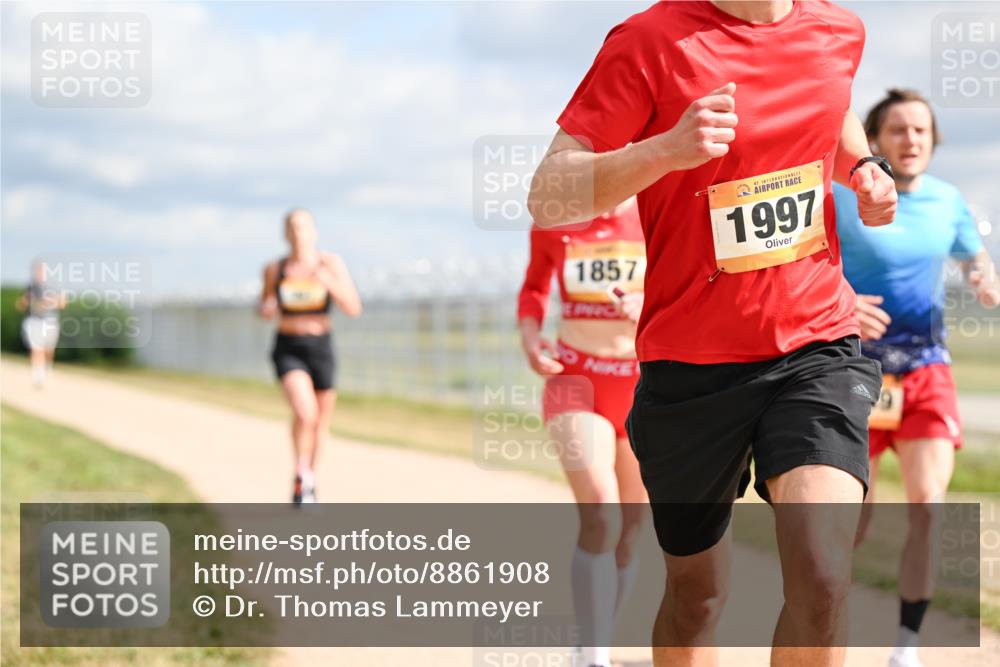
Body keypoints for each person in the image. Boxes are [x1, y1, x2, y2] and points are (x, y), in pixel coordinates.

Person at [527, 1, 898, 665]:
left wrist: (866, 168)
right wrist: (666, 149)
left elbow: (832, 111)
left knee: (822, 576)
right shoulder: (649, 41)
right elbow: (547, 192)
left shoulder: (839, 30)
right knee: (697, 594)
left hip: (816, 344)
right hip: (691, 369)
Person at [837, 88, 999, 667]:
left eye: (921, 132)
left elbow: (972, 256)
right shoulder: (839, 195)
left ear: (933, 143)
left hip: (926, 368)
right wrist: (841, 299)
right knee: (852, 520)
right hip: (855, 372)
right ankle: (830, 624)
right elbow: (806, 263)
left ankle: (905, 647)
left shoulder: (949, 200)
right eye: (899, 130)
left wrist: (983, 279)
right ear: (874, 140)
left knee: (927, 507)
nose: (910, 141)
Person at [518, 197, 647, 667]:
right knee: (601, 508)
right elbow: (533, 289)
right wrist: (532, 342)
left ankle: (594, 639)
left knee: (632, 529)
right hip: (575, 380)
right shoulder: (556, 219)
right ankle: (593, 656)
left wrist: (651, 302)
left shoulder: (658, 207)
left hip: (640, 386)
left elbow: (694, 285)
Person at [258, 209, 362, 505]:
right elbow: (266, 305)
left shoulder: (330, 264)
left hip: (321, 347)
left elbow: (353, 308)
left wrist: (330, 282)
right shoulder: (275, 269)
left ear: (314, 232)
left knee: (320, 422)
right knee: (305, 412)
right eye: (293, 227)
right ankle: (301, 471)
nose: (299, 233)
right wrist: (266, 309)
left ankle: (308, 480)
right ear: (285, 233)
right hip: (289, 346)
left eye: (304, 227)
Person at [17, 260, 66, 389]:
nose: (39, 274)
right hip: (34, 321)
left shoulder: (55, 287)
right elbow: (20, 305)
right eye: (37, 271)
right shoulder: (30, 287)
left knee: (48, 350)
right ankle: (37, 376)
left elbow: (63, 303)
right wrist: (27, 301)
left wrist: (51, 302)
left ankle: (46, 368)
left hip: (50, 321)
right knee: (36, 348)